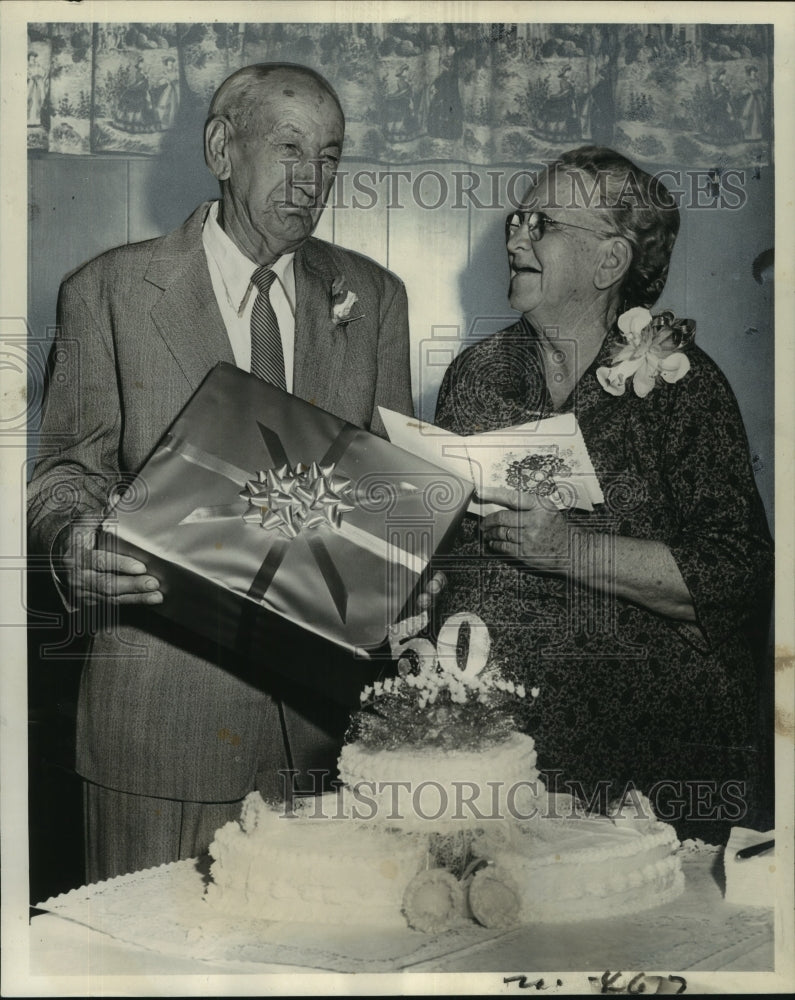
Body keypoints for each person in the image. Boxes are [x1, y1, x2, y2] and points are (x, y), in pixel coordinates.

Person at [27, 63, 415, 883]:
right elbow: (61, 473)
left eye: (331, 157)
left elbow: (388, 490)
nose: (312, 181)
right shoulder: (107, 291)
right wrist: (73, 541)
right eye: (289, 149)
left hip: (326, 737)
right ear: (220, 148)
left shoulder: (373, 296)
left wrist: (414, 570)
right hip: (160, 723)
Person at [433, 146, 773, 842]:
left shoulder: (681, 386)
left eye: (543, 224)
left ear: (610, 263)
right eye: (516, 218)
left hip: (649, 767)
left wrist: (571, 551)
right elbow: (446, 552)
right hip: (496, 754)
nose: (514, 236)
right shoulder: (475, 375)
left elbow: (740, 572)